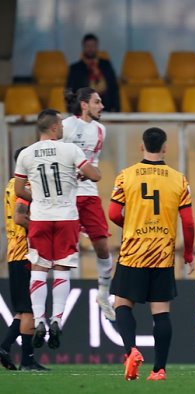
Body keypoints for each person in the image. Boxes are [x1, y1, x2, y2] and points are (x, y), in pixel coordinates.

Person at [108, 127, 195, 381]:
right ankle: (159, 370)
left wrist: (132, 225)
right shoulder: (179, 179)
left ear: (141, 146)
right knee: (161, 311)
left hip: (134, 251)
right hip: (162, 253)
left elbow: (113, 213)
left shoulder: (126, 176)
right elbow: (188, 223)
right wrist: (188, 254)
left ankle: (131, 350)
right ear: (165, 147)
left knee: (122, 304)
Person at [14, 109, 101, 351]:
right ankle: (57, 320)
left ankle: (40, 319)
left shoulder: (27, 154)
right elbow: (96, 175)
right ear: (53, 127)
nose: (63, 127)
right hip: (66, 217)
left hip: (41, 217)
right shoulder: (70, 149)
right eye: (60, 123)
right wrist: (79, 177)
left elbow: (19, 190)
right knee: (62, 268)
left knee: (39, 268)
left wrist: (39, 197)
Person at [62, 87, 115, 321]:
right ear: (84, 104)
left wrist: (91, 172)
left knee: (103, 246)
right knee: (66, 251)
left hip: (89, 194)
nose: (101, 106)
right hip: (67, 195)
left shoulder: (101, 130)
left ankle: (103, 293)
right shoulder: (65, 126)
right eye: (97, 102)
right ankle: (59, 309)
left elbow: (94, 163)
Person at [0, 147, 48, 371]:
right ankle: (28, 360)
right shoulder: (26, 186)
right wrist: (43, 229)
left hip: (13, 251)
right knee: (29, 309)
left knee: (21, 310)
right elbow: (21, 218)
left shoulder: (10, 185)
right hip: (25, 252)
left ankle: (5, 347)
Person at [66, 34, 120, 112]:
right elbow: (69, 91)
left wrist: (116, 110)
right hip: (84, 112)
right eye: (88, 46)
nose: (90, 48)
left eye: (93, 45)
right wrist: (73, 111)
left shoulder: (106, 65)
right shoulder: (75, 68)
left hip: (106, 109)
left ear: (97, 47)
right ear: (83, 47)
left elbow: (114, 88)